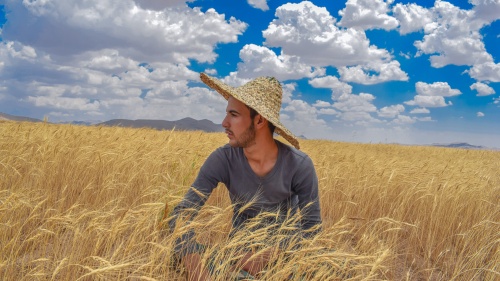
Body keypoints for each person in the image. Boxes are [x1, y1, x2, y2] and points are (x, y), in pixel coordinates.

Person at [168, 73, 322, 280]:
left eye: (233, 114)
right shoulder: (223, 159)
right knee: (180, 255)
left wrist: (268, 256)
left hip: (286, 258)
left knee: (333, 269)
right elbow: (181, 214)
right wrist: (198, 271)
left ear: (259, 120)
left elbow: (312, 230)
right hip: (237, 253)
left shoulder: (299, 165)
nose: (224, 123)